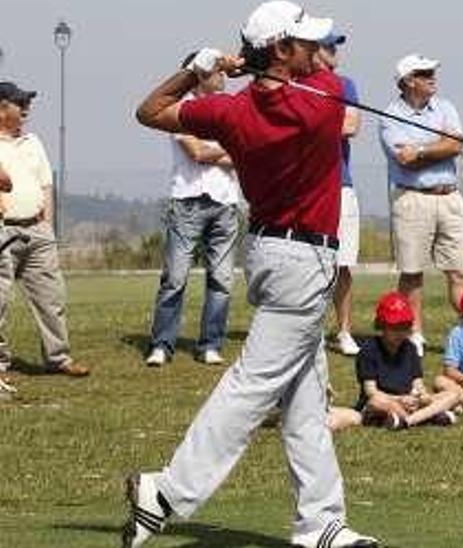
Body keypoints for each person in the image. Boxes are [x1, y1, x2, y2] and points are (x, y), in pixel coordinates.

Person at [126, 2, 378, 546]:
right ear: (283, 50)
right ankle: (167, 491)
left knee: (307, 399)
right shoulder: (323, 101)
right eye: (306, 43)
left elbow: (150, 111)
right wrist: (254, 65)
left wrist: (202, 69)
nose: (319, 52)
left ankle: (320, 522)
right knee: (252, 386)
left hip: (267, 253)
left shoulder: (228, 111)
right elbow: (324, 78)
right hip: (302, 264)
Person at [143, 58, 241, 367]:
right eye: (217, 71)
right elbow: (197, 152)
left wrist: (225, 152)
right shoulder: (180, 108)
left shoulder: (229, 109)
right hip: (187, 201)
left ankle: (210, 344)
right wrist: (230, 151)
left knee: (222, 280)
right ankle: (162, 344)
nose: (224, 76)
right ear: (199, 75)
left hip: (226, 202)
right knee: (175, 277)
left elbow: (238, 152)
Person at [378, 53, 463, 354]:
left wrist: (419, 149)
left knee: (460, 272)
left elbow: (456, 144)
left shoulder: (446, 107)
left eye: (432, 71)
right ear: (407, 81)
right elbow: (404, 161)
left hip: (450, 198)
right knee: (412, 273)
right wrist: (435, 148)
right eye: (424, 72)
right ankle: (414, 334)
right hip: (412, 199)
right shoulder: (389, 114)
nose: (432, 76)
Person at [0, 81, 89, 378]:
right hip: (3, 232)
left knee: (52, 297)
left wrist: (47, 227)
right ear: (1, 109)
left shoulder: (33, 142)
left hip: (38, 231)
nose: (26, 108)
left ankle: (58, 358)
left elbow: (46, 185)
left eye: (27, 102)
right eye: (19, 102)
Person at [327, 291, 459, 432]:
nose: (400, 332)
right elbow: (371, 392)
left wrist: (421, 397)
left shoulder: (410, 348)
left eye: (404, 327)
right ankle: (427, 416)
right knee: (377, 402)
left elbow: (418, 384)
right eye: (394, 327)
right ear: (381, 325)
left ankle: (407, 421)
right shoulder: (369, 350)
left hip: (409, 402)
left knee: (453, 395)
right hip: (382, 403)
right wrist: (400, 399)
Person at [316, 31, 364, 356]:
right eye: (328, 46)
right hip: (308, 187)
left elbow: (350, 126)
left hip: (341, 184)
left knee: (343, 263)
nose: (334, 51)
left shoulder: (346, 84)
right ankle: (311, 332)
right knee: (312, 264)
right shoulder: (294, 83)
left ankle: (344, 331)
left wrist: (309, 120)